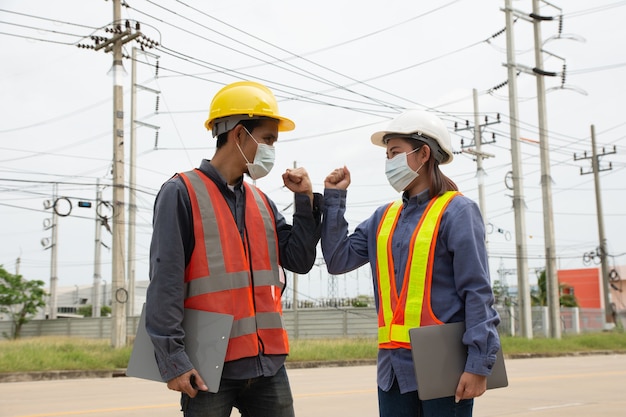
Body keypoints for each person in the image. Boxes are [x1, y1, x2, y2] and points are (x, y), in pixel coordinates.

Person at [145, 80, 323, 417]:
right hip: (208, 365)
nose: (272, 149)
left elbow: (299, 259)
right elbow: (165, 282)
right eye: (268, 139)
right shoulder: (180, 193)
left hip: (267, 365)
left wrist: (305, 200)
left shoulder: (262, 202)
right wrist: (173, 361)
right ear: (240, 134)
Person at [322, 109, 501, 417]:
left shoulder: (457, 211)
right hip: (392, 369)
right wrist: (334, 198)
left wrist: (479, 364)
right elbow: (338, 260)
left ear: (424, 154)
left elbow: (477, 292)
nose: (389, 162)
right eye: (387, 155)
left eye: (395, 153)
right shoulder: (383, 218)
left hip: (445, 363)